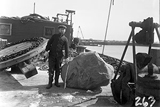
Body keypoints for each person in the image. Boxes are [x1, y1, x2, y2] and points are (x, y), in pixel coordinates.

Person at [44, 25, 69, 89]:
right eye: (61, 29)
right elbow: (49, 43)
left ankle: (56, 82)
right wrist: (46, 51)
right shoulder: (54, 36)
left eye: (63, 29)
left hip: (59, 56)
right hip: (52, 55)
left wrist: (67, 57)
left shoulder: (65, 39)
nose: (62, 30)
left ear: (65, 31)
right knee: (51, 69)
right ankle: (50, 83)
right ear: (59, 30)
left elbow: (66, 49)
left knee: (58, 69)